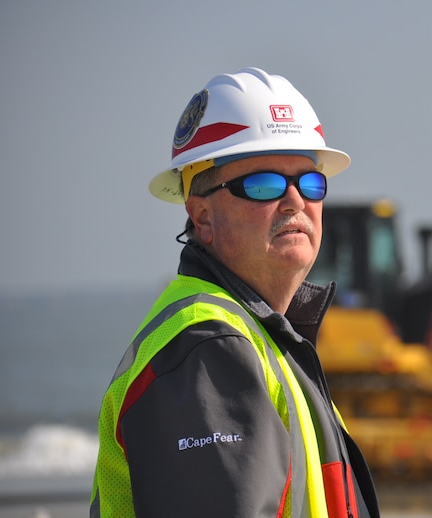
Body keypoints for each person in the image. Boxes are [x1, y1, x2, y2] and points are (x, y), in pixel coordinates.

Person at [90, 67, 381, 517]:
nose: (295, 201)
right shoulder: (208, 348)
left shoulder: (268, 343)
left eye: (309, 182)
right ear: (202, 218)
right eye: (262, 184)